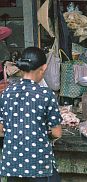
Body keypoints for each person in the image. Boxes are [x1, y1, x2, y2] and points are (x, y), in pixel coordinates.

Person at [0, 47, 62, 181]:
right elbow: (57, 133)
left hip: (12, 165)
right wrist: (42, 132)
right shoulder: (46, 94)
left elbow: (0, 131)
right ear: (44, 67)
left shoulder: (6, 93)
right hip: (38, 165)